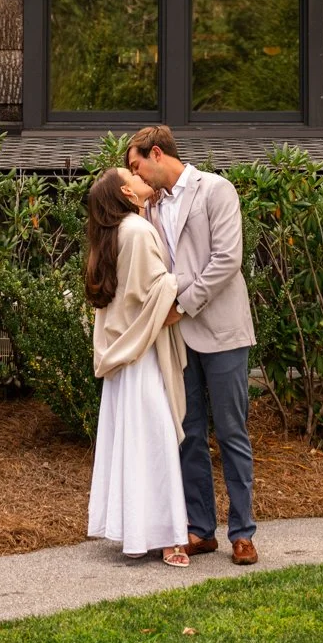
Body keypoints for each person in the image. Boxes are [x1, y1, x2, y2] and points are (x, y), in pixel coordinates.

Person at [126, 124, 258, 566]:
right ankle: (201, 529)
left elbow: (227, 260)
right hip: (178, 340)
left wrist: (181, 305)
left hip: (221, 331)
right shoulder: (153, 207)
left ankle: (242, 533)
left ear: (156, 153)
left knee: (233, 432)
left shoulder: (216, 190)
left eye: (135, 165)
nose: (135, 174)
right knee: (189, 434)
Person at [84, 165, 191, 566]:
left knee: (129, 441)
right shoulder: (139, 232)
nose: (138, 175)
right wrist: (183, 282)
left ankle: (134, 529)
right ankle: (168, 537)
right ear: (128, 195)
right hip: (142, 353)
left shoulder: (110, 236)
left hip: (121, 354)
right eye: (129, 176)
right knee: (156, 440)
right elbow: (158, 289)